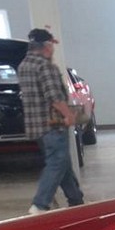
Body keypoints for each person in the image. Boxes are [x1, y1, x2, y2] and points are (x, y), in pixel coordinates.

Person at [18, 27, 83, 214]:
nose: (53, 49)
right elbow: (54, 97)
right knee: (56, 163)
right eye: (51, 45)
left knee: (63, 163)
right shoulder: (45, 66)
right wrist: (69, 115)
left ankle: (76, 200)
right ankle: (40, 204)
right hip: (53, 126)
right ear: (46, 46)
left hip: (36, 127)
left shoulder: (23, 65)